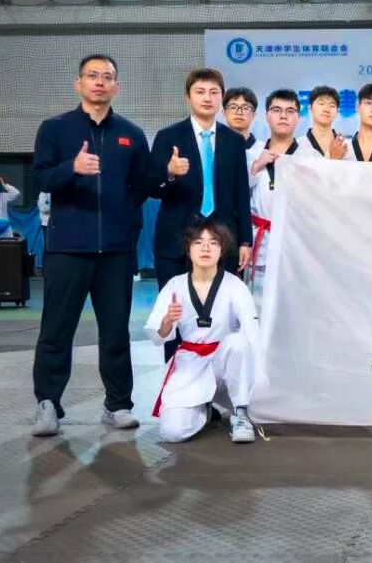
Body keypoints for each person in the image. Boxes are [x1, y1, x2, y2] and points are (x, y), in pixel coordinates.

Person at [31, 54, 150, 437]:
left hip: (115, 252)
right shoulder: (55, 129)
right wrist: (72, 169)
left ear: (117, 86)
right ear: (78, 83)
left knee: (115, 332)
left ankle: (118, 405)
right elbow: (41, 179)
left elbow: (141, 188)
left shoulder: (132, 134)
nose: (100, 82)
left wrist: (125, 226)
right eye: (92, 75)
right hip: (67, 249)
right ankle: (48, 404)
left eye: (108, 76)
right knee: (56, 331)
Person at [150, 68, 254, 361]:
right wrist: (169, 173)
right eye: (200, 92)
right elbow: (150, 187)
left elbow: (240, 193)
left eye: (213, 92)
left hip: (224, 242)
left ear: (221, 99)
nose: (207, 98)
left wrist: (245, 240)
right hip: (175, 242)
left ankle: (219, 383)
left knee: (222, 316)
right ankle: (177, 380)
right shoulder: (168, 137)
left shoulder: (234, 141)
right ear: (188, 97)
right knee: (176, 315)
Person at [146, 220, 258, 444]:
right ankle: (205, 409)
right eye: (198, 242)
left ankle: (240, 412)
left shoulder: (235, 285)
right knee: (173, 432)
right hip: (191, 364)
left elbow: (251, 330)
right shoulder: (175, 285)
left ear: (221, 250)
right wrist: (167, 321)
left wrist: (252, 368)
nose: (205, 248)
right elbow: (157, 336)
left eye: (213, 242)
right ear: (188, 249)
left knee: (238, 342)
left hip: (226, 364)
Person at [247, 89, 308, 276]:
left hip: (296, 242)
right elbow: (236, 194)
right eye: (276, 110)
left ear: (298, 117)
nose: (283, 116)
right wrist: (256, 167)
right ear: (267, 116)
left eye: (290, 111)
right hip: (259, 241)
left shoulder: (310, 157)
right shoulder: (251, 154)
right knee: (257, 292)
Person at [304, 86, 349, 160]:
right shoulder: (298, 146)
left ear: (337, 112)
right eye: (321, 104)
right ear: (310, 108)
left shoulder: (346, 146)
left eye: (332, 105)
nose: (326, 109)